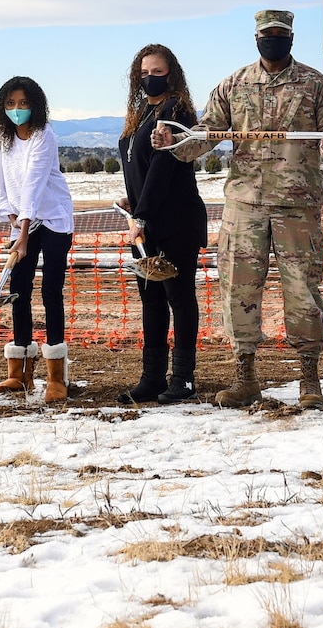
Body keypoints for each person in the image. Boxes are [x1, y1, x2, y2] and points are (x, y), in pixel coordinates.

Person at [155, 10, 323, 409]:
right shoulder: (233, 86)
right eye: (267, 34)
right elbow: (204, 136)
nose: (273, 39)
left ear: (291, 36)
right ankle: (246, 378)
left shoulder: (316, 85)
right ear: (256, 37)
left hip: (298, 205)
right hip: (245, 205)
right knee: (238, 290)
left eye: (280, 33)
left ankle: (309, 380)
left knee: (303, 292)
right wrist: (172, 143)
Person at [116, 45, 210, 403]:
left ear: (172, 74)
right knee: (151, 298)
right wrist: (133, 201)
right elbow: (137, 165)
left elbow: (163, 167)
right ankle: (152, 377)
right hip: (145, 221)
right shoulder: (142, 111)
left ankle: (183, 379)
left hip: (175, 221)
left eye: (157, 72)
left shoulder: (177, 110)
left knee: (178, 297)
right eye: (143, 73)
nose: (149, 78)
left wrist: (142, 214)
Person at [0, 76, 77, 403]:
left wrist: (22, 234)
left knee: (50, 290)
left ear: (35, 105)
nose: (17, 110)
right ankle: (19, 376)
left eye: (23, 103)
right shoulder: (4, 137)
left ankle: (56, 377)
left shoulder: (43, 135)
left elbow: (35, 183)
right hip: (22, 219)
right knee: (18, 290)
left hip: (52, 217)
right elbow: (0, 178)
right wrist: (9, 214)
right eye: (10, 104)